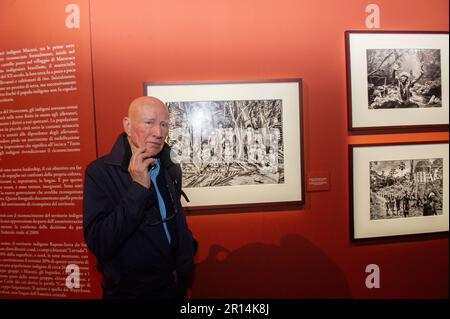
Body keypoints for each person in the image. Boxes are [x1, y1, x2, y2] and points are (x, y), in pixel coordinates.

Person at [83, 96, 198, 299]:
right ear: (127, 125)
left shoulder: (170, 167)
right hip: (131, 294)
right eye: (149, 122)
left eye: (164, 124)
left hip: (175, 288)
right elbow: (100, 242)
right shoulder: (99, 172)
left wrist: (187, 253)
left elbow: (174, 218)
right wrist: (138, 188)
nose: (158, 132)